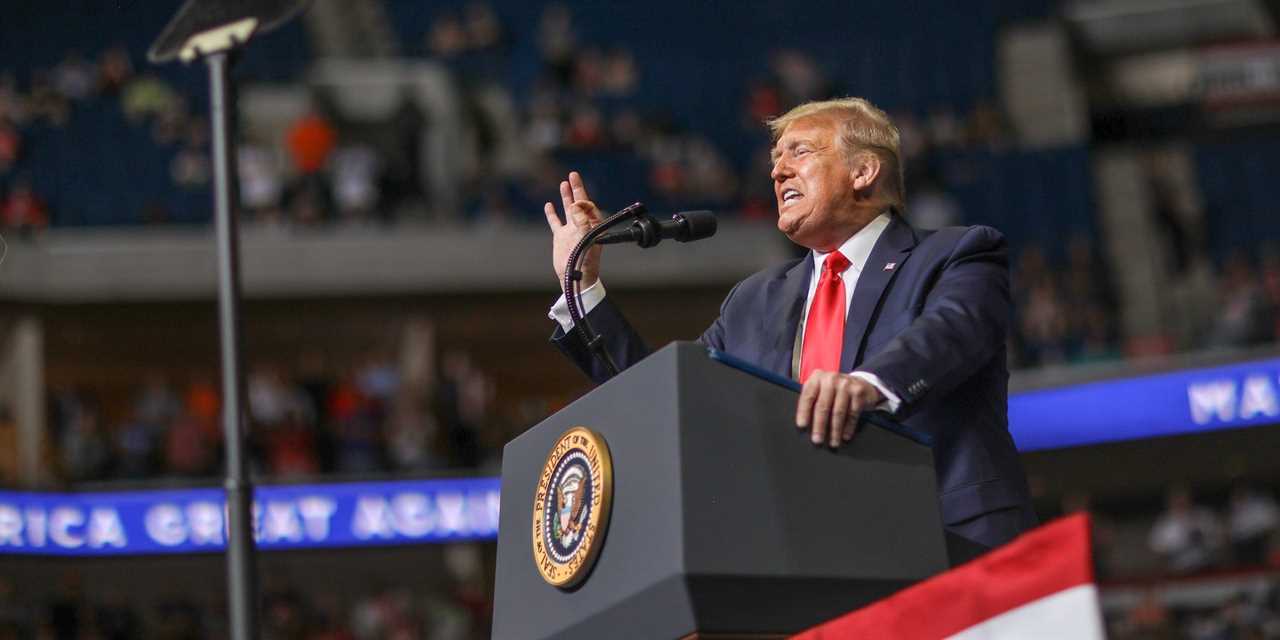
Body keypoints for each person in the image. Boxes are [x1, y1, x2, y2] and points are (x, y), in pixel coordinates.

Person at [541, 97, 1034, 561]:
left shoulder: (958, 253)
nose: (776, 171)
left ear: (863, 171)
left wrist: (867, 385)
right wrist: (582, 288)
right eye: (776, 158)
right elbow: (667, 397)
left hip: (949, 541)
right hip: (807, 563)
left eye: (799, 152)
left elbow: (953, 332)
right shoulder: (752, 303)